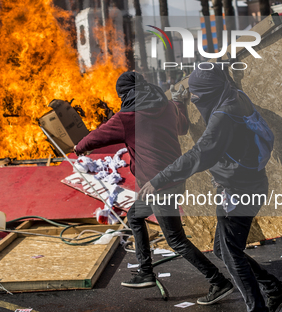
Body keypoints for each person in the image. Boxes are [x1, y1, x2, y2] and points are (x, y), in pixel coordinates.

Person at [139, 65, 282, 312]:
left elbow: (200, 153)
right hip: (247, 186)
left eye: (198, 95)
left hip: (239, 192)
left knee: (231, 252)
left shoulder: (224, 115)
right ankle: (276, 290)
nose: (196, 99)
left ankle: (258, 308)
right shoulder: (234, 94)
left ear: (210, 92)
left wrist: (159, 179)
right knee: (224, 249)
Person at [74, 71, 233, 305]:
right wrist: (179, 102)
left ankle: (218, 281)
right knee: (135, 216)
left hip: (160, 186)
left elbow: (96, 137)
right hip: (173, 179)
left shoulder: (127, 117)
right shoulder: (167, 105)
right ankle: (145, 272)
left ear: (124, 94)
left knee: (176, 240)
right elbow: (182, 127)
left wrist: (79, 147)